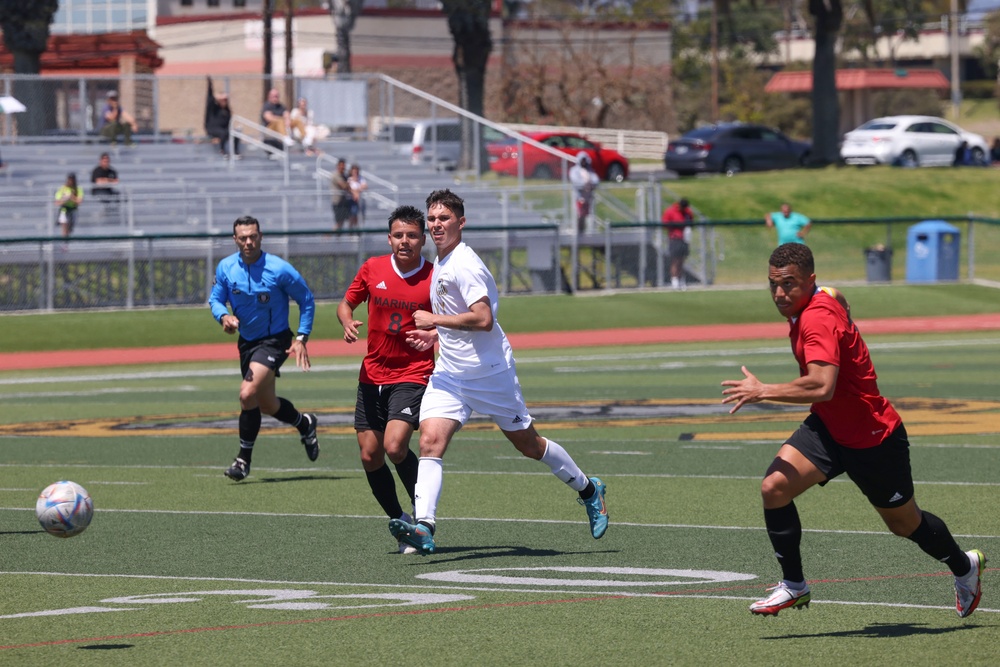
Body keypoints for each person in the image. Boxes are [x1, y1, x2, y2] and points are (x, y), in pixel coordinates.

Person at [721, 243, 985, 618]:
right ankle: (794, 586)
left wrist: (763, 390)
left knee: (904, 524)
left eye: (789, 284)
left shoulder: (815, 320)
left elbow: (821, 385)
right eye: (773, 284)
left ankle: (965, 566)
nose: (780, 293)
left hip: (872, 437)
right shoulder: (820, 296)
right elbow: (837, 295)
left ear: (809, 281)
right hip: (829, 427)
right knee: (774, 488)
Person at [389, 189, 609, 555]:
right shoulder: (441, 261)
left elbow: (484, 319)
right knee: (429, 442)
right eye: (432, 219)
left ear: (462, 222)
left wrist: (434, 319)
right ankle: (424, 526)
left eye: (444, 218)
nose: (436, 224)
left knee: (529, 445)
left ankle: (589, 489)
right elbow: (458, 317)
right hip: (450, 375)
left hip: (490, 374)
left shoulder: (465, 264)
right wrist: (434, 335)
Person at [338, 205, 436, 554]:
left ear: (423, 239)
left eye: (412, 235)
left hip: (413, 373)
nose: (405, 241)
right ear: (389, 238)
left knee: (395, 446)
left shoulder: (435, 276)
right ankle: (402, 523)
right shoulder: (372, 268)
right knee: (369, 455)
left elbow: (452, 324)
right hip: (371, 375)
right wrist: (347, 321)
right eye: (398, 235)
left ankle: (425, 518)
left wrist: (434, 335)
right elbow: (346, 304)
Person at [209, 215, 320, 481]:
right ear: (235, 239)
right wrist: (223, 317)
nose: (248, 242)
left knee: (247, 394)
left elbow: (306, 300)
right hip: (247, 343)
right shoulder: (226, 268)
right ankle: (305, 423)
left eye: (253, 236)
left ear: (260, 236)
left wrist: (302, 337)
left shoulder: (279, 269)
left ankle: (243, 460)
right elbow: (216, 299)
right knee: (267, 404)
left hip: (275, 340)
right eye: (243, 237)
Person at [661, 198, 693, 290]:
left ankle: (681, 280)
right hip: (674, 239)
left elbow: (691, 222)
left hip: (684, 239)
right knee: (675, 260)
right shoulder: (671, 211)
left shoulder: (687, 212)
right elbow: (665, 223)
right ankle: (674, 281)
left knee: (682, 261)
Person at [205, 77, 240, 158]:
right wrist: (210, 85)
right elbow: (210, 99)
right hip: (212, 129)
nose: (224, 101)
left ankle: (236, 152)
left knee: (236, 133)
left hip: (223, 129)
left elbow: (228, 122)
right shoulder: (214, 108)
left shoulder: (227, 110)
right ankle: (222, 150)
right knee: (223, 133)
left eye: (225, 100)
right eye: (222, 100)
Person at [568, 154, 599, 233]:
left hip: (588, 197)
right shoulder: (574, 170)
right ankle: (578, 232)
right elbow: (575, 181)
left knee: (587, 215)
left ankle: (588, 231)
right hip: (579, 197)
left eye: (585, 160)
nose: (584, 162)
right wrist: (584, 185)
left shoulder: (589, 170)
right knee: (579, 215)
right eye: (582, 160)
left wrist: (591, 185)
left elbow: (596, 180)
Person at [54, 173, 84, 238]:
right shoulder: (62, 188)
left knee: (70, 229)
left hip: (73, 210)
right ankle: (64, 244)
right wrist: (65, 199)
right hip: (64, 210)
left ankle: (67, 241)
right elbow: (57, 202)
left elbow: (79, 202)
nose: (71, 182)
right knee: (64, 227)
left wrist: (71, 197)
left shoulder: (78, 189)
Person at [330, 159, 352, 231]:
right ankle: (327, 237)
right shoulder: (336, 175)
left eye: (344, 166)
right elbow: (344, 186)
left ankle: (337, 238)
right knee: (339, 223)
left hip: (343, 202)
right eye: (341, 166)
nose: (343, 168)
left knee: (342, 222)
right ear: (338, 166)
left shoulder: (343, 176)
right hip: (337, 202)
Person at [347, 163, 368, 230]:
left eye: (356, 171)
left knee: (361, 216)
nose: (355, 173)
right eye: (354, 172)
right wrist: (355, 192)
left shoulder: (361, 179)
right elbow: (349, 188)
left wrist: (357, 191)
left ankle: (358, 230)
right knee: (353, 215)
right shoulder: (349, 179)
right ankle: (352, 230)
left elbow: (365, 186)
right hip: (352, 201)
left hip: (360, 200)